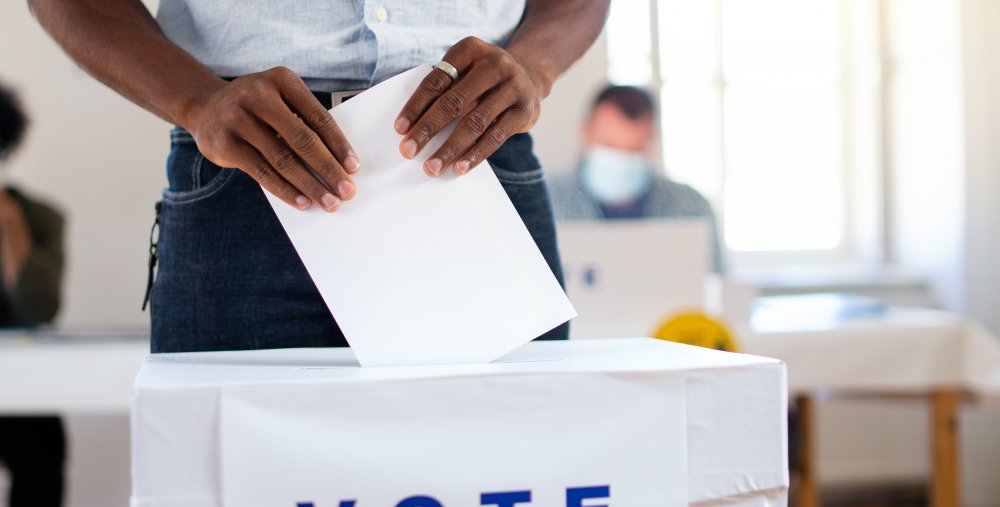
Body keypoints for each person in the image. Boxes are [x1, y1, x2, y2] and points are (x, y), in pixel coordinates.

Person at [30, 0, 610, 353]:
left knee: (510, 481)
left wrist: (536, 66)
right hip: (248, 168)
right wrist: (196, 101)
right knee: (242, 501)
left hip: (474, 148)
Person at [549, 84, 725, 273]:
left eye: (634, 148)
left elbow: (714, 284)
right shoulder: (547, 200)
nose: (621, 158)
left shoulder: (691, 207)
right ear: (586, 131)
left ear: (652, 138)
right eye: (610, 144)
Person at [0, 81, 67, 507]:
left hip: (20, 384)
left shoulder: (39, 216)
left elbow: (40, 309)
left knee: (42, 457)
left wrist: (9, 225)